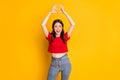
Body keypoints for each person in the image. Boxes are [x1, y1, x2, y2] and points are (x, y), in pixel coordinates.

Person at [41, 4, 75, 80]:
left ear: (62, 28)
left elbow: (73, 24)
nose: (58, 28)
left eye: (60, 26)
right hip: (54, 63)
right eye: (55, 26)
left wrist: (64, 12)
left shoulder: (65, 37)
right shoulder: (50, 37)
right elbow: (43, 24)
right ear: (53, 28)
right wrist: (50, 13)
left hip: (65, 62)